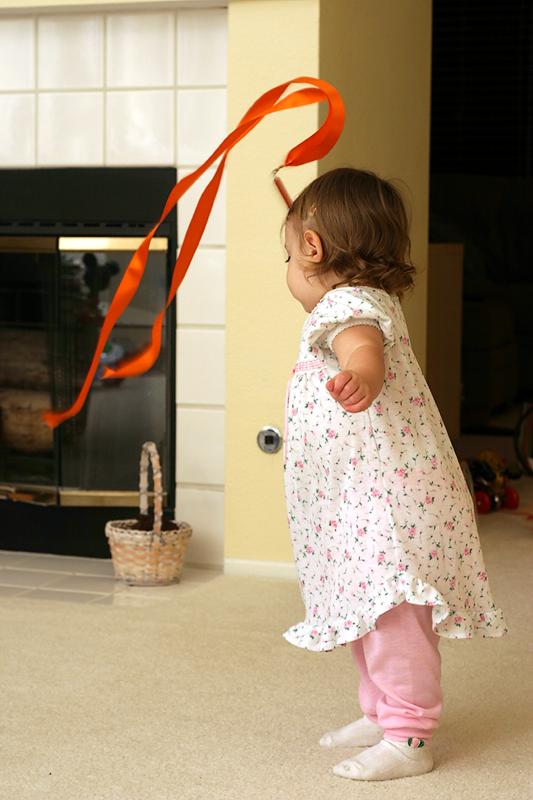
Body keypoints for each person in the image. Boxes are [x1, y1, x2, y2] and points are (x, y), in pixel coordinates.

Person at [281, 167, 508, 782]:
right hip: (369, 498)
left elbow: (363, 350)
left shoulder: (347, 307)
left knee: (391, 616)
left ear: (312, 248)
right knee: (368, 609)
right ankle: (382, 713)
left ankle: (409, 734)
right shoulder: (372, 299)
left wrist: (362, 376)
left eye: (288, 256)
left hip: (384, 503)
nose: (288, 271)